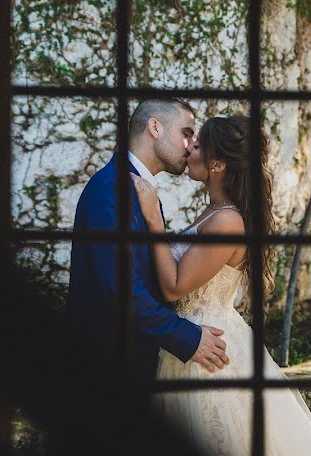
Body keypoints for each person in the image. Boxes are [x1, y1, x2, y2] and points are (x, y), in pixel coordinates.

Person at [131, 115, 311, 455]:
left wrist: (154, 220)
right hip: (190, 340)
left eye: (196, 144)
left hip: (207, 350)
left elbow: (174, 287)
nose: (188, 147)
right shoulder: (214, 211)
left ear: (216, 163)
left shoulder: (227, 221)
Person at [67, 98, 231, 389]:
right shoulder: (112, 190)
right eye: (186, 133)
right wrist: (188, 338)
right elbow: (120, 289)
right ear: (155, 127)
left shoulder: (136, 189)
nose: (191, 145)